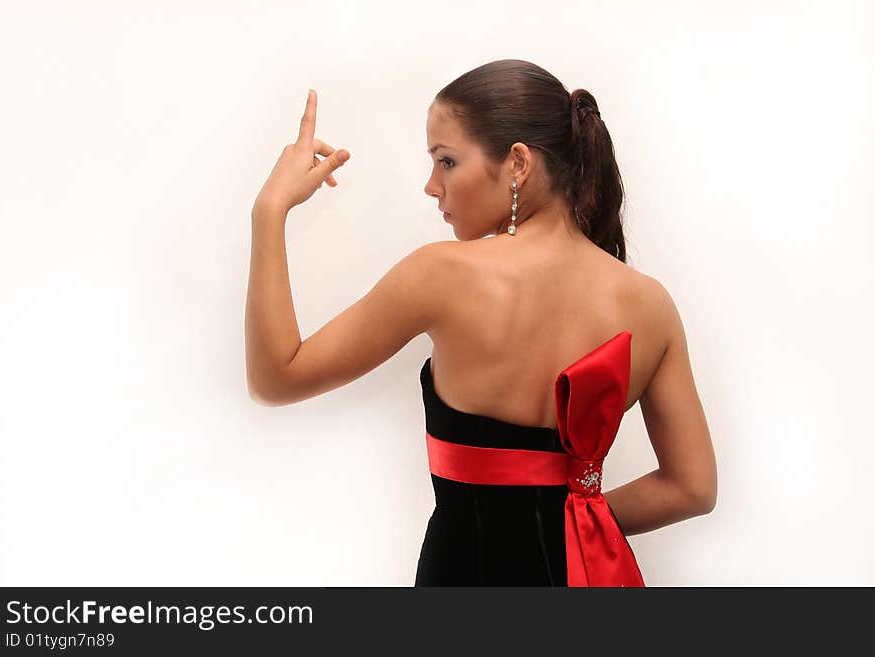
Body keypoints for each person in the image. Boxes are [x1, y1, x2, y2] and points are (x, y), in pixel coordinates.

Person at [245, 59, 718, 587]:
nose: (431, 185)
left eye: (446, 161)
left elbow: (276, 376)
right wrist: (563, 524)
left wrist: (269, 212)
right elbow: (692, 487)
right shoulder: (651, 304)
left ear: (518, 163)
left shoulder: (441, 273)